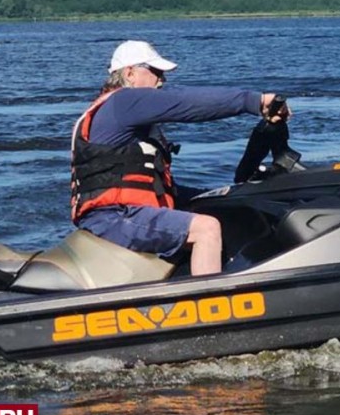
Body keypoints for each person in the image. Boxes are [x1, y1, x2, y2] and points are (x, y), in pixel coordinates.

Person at [70, 40, 288, 276]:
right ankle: (211, 304)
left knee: (217, 204)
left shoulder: (121, 112)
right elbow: (184, 102)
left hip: (123, 212)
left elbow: (150, 186)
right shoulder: (124, 102)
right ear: (130, 73)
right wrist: (254, 101)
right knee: (206, 229)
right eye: (155, 72)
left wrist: (220, 194)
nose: (162, 80)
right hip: (112, 217)